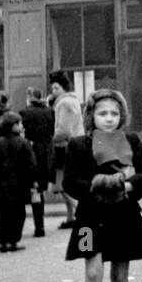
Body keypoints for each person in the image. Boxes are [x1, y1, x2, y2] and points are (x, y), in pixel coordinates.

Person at [62, 88, 142, 282]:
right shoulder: (78, 144)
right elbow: (69, 181)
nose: (109, 118)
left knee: (119, 275)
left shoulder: (132, 141)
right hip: (89, 219)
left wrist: (127, 186)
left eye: (115, 113)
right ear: (91, 115)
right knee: (92, 272)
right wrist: (96, 184)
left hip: (123, 214)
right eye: (103, 113)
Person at [0, 111, 36, 253]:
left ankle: (3, 242)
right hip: (19, 184)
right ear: (13, 126)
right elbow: (32, 164)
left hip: (0, 184)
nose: (22, 125)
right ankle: (13, 241)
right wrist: (32, 181)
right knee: (18, 214)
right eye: (19, 123)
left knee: (2, 214)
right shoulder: (24, 143)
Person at [49, 71, 85, 230]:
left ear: (63, 88)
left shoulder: (64, 103)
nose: (53, 92)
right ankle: (71, 217)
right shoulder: (73, 101)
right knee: (66, 184)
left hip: (65, 147)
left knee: (61, 185)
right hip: (75, 146)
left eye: (56, 88)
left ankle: (81, 213)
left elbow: (63, 130)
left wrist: (48, 139)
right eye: (53, 88)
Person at [20, 86, 55, 238]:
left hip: (32, 151)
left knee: (32, 188)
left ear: (29, 97)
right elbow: (52, 131)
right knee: (40, 189)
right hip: (47, 152)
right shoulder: (49, 111)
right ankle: (40, 226)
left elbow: (23, 133)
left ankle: (31, 226)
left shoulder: (25, 112)